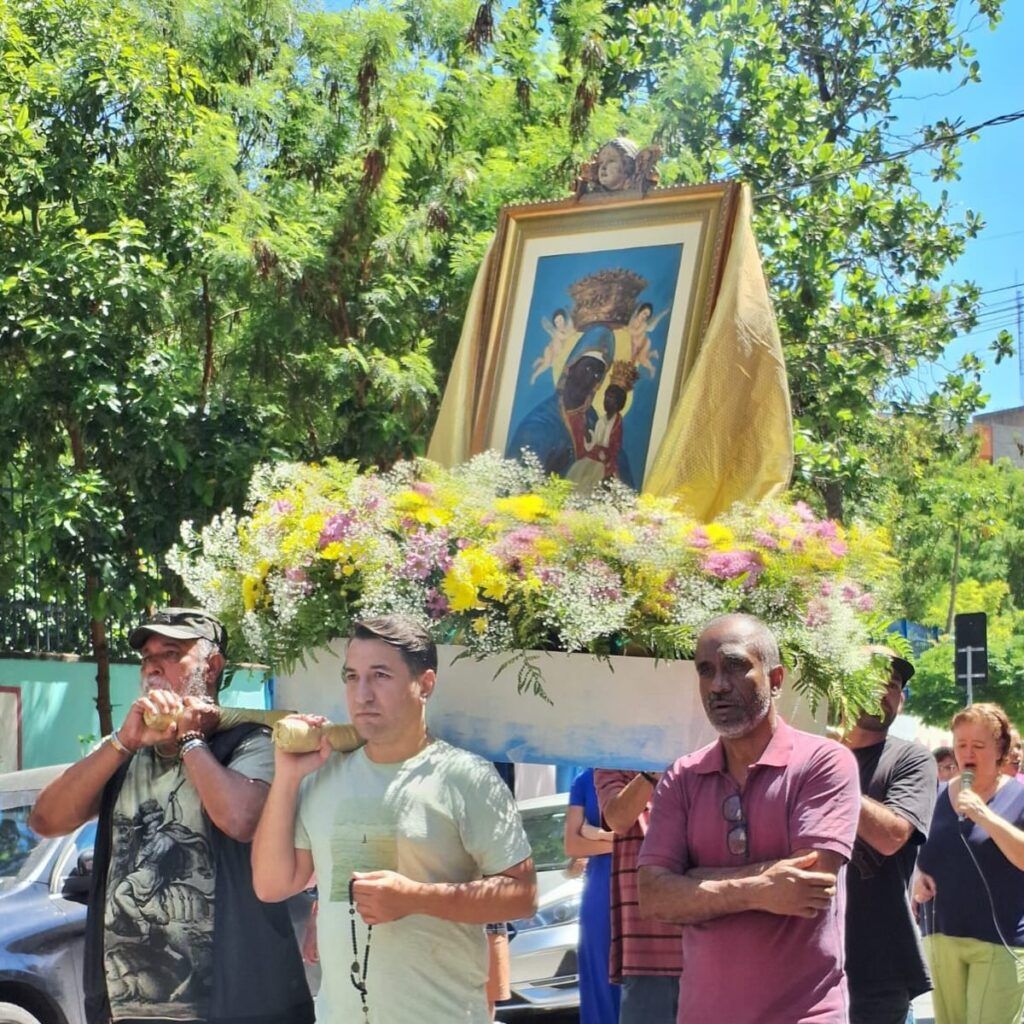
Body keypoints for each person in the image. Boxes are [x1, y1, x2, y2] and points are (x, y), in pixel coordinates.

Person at [29, 607, 313, 1024]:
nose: (153, 667)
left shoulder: (249, 743)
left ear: (211, 667)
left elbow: (239, 819)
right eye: (147, 657)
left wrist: (192, 740)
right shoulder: (124, 753)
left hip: (240, 1006)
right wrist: (123, 741)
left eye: (170, 653)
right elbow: (45, 821)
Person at [250, 616, 537, 1023]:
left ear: (426, 684)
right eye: (352, 677)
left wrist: (415, 898)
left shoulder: (467, 777)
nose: (362, 694)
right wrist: (287, 776)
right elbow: (271, 884)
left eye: (380, 676)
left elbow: (522, 895)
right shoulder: (324, 776)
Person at [636, 613, 861, 1024]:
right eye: (707, 672)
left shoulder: (824, 763)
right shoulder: (682, 776)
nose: (719, 685)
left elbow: (806, 888)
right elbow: (653, 897)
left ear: (776, 679)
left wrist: (691, 879)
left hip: (806, 1014)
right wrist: (758, 887)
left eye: (736, 667)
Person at [841, 646, 937, 1024]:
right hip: (805, 961)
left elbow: (892, 836)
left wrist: (831, 768)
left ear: (902, 698)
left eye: (893, 683)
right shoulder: (804, 753)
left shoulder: (911, 759)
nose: (882, 689)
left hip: (879, 970)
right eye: (871, 679)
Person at [913, 702, 1024, 1024]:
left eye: (978, 745)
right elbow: (920, 851)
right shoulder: (936, 796)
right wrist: (917, 877)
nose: (967, 753)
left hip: (999, 941)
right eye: (961, 744)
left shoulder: (1017, 797)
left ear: (1000, 749)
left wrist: (983, 814)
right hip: (942, 935)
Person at [594, 769, 683, 1024]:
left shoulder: (708, 753)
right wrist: (650, 773)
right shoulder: (613, 757)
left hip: (712, 940)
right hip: (649, 952)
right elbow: (617, 819)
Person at [508, 325, 633, 486]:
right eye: (587, 368)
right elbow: (517, 485)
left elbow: (619, 466)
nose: (590, 379)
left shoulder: (594, 419)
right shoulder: (539, 424)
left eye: (597, 374)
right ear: (571, 367)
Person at [564, 768, 619, 1024]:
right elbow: (572, 845)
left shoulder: (651, 773)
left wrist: (597, 835)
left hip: (643, 887)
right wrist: (623, 842)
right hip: (601, 892)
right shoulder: (584, 780)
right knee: (600, 974)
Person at [566, 361, 638, 492]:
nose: (607, 401)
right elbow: (593, 443)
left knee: (593, 481)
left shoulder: (616, 424)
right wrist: (588, 440)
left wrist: (604, 457)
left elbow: (614, 448)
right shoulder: (600, 421)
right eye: (606, 397)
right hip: (592, 458)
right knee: (577, 471)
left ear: (619, 404)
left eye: (611, 399)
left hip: (605, 463)